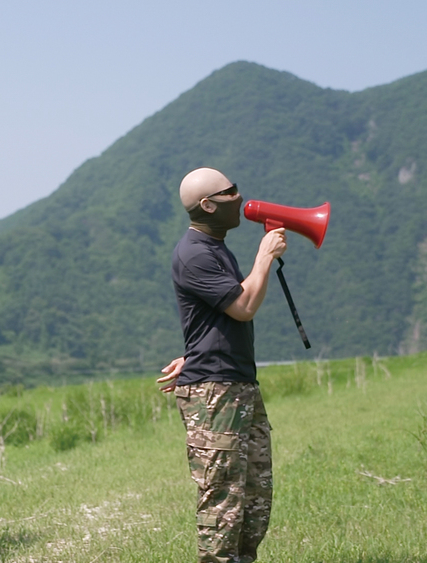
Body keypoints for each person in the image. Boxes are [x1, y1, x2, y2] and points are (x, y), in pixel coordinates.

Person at [157, 167, 286, 563]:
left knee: (254, 497)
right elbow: (242, 306)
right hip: (215, 395)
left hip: (237, 385)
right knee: (223, 498)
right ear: (208, 205)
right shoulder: (195, 254)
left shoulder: (215, 247)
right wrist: (264, 257)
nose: (239, 197)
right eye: (230, 192)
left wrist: (194, 353)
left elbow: (212, 318)